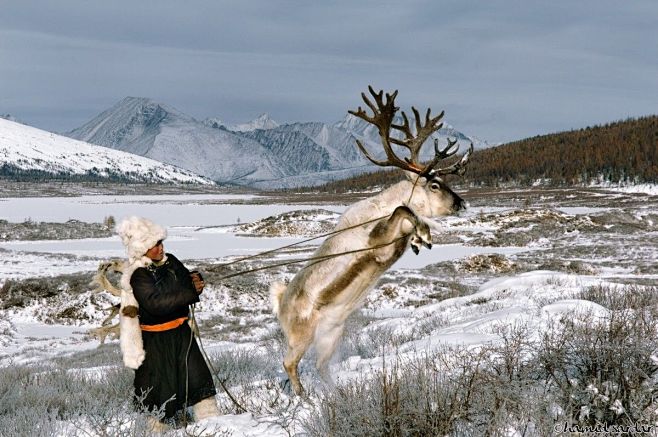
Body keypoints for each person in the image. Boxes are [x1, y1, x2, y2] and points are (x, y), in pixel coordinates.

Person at [116, 216, 218, 431]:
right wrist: (190, 291)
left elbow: (182, 280)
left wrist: (194, 279)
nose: (160, 248)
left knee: (198, 380)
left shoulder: (170, 261)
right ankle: (158, 432)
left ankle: (213, 427)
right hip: (156, 342)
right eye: (154, 245)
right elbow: (156, 304)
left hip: (181, 334)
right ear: (141, 249)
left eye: (160, 243)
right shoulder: (138, 276)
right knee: (160, 392)